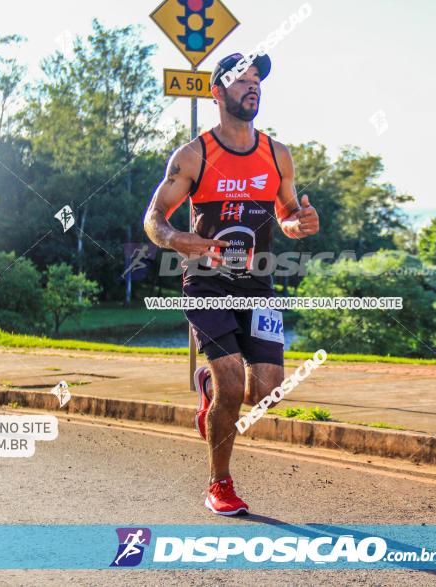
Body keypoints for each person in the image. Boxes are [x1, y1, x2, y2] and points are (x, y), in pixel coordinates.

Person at [144, 53, 319, 515]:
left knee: (267, 391)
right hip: (205, 283)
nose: (253, 86)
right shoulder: (194, 155)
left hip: (257, 285)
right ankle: (219, 483)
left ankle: (207, 392)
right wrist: (178, 238)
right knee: (231, 382)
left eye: (257, 79)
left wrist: (299, 224)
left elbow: (285, 214)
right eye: (242, 80)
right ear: (217, 92)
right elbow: (154, 218)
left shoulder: (276, 154)